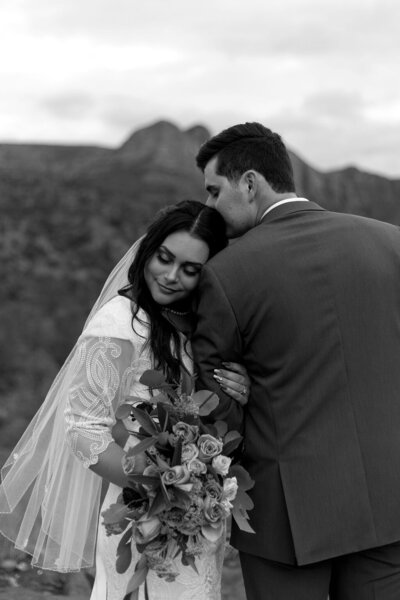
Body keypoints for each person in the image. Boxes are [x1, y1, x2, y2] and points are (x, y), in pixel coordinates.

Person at [0, 200, 250, 600]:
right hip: (141, 515)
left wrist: (239, 388)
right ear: (148, 250)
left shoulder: (192, 324)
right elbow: (83, 427)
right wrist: (162, 487)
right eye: (164, 258)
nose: (170, 276)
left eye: (190, 270)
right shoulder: (118, 323)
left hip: (200, 518)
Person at [191, 122, 400, 600]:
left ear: (250, 183)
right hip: (390, 502)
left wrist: (248, 394)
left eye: (214, 190)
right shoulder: (393, 243)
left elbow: (214, 413)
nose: (210, 206)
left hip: (287, 521)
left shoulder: (225, 274)